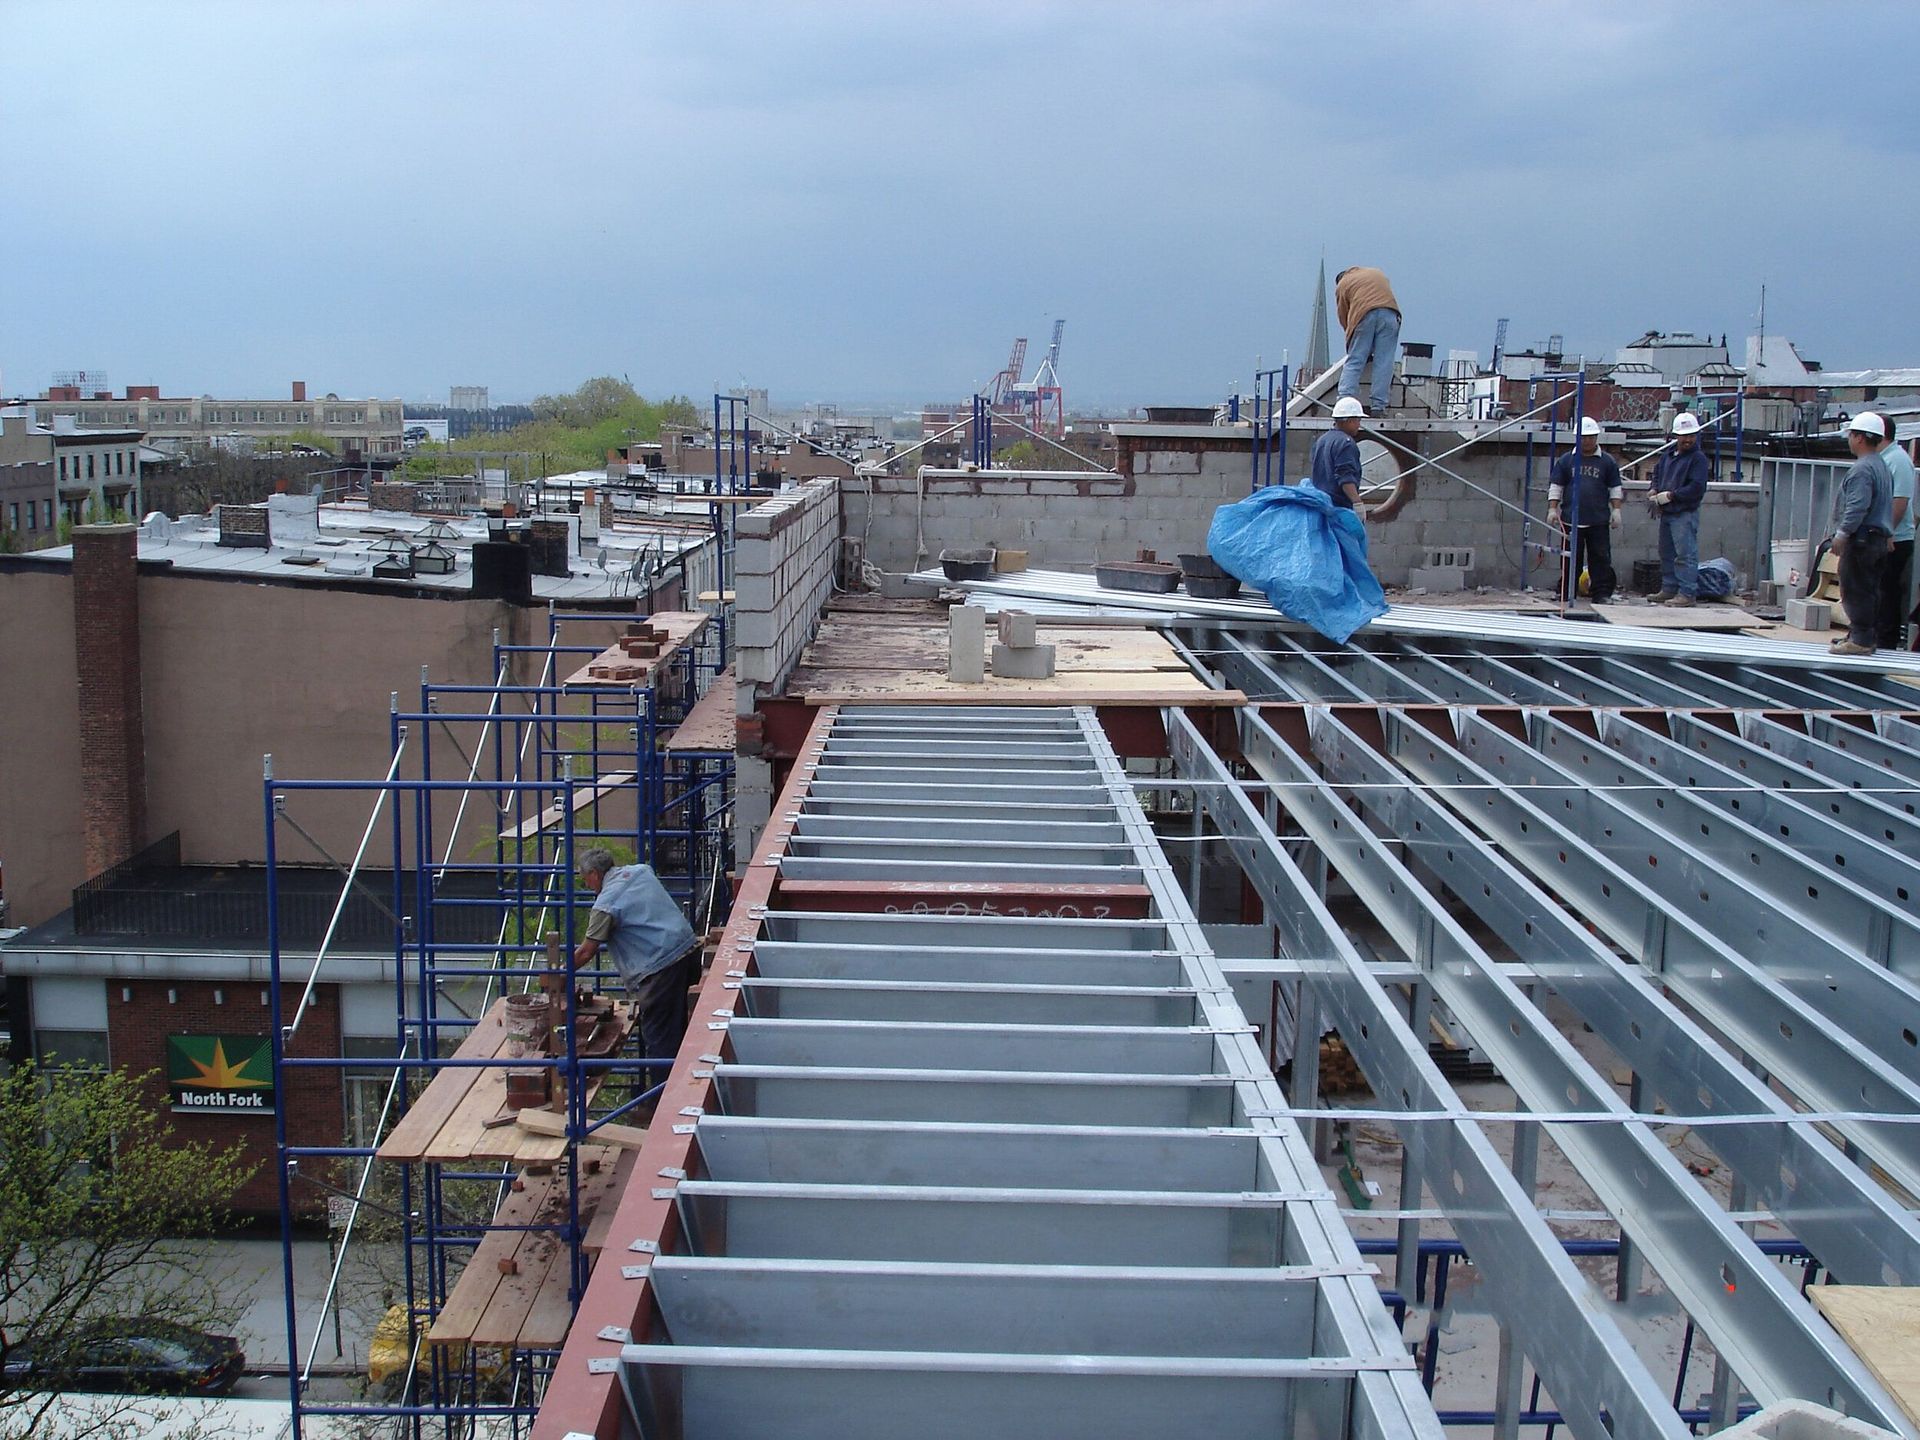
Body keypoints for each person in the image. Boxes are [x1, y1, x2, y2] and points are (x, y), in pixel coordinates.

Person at [571, 847, 700, 1064]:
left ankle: (664, 1085)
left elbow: (586, 951)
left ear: (594, 873)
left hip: (660, 969)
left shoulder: (606, 903)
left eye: (586, 878)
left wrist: (560, 973)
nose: (587, 885)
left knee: (661, 1042)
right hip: (688, 950)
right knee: (686, 1030)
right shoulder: (641, 871)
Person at [1828, 411, 1894, 656]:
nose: (1849, 440)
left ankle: (1861, 640)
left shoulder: (1862, 470)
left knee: (1856, 589)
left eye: (1851, 435)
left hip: (1863, 540)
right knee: (1870, 589)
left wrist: (1842, 534)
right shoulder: (1881, 466)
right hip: (1877, 539)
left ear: (1859, 438)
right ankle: (1861, 634)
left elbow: (1857, 507)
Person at [1547, 416, 1624, 603]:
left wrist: (1616, 510)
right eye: (1583, 437)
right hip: (1571, 519)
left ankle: (1601, 594)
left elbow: (1615, 487)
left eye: (1591, 437)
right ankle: (1567, 591)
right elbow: (1556, 486)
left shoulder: (1607, 461)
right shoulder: (1567, 461)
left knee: (1600, 558)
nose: (1587, 441)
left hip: (1598, 520)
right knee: (1570, 558)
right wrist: (1552, 509)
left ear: (1597, 437)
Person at [1649, 412, 1711, 606]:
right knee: (1666, 553)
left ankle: (1687, 593)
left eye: (1691, 435)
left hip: (1684, 512)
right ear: (1676, 436)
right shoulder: (1668, 456)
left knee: (1685, 555)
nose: (1688, 440)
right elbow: (1657, 473)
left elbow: (1697, 487)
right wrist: (1654, 489)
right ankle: (1669, 589)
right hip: (1667, 512)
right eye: (1684, 436)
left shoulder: (1698, 459)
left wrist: (1671, 495)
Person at [1334, 266, 1402, 416]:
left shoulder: (1342, 284)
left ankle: (1345, 400)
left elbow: (1344, 317)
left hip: (1364, 315)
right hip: (1391, 314)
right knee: (1384, 362)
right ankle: (1378, 406)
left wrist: (1352, 342)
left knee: (1355, 360)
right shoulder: (1375, 272)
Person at [1876, 416, 1915, 650]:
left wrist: (1886, 532)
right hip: (1880, 537)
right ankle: (1870, 634)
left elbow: (1900, 501)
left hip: (1895, 540)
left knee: (1887, 591)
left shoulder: (1898, 459)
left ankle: (1886, 641)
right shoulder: (1880, 458)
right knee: (1875, 589)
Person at [1309, 396, 1368, 512]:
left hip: (1321, 505)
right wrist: (1357, 503)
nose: (1359, 425)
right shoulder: (1346, 443)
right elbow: (1345, 477)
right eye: (1358, 420)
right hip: (1339, 507)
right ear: (1349, 420)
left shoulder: (1322, 440)